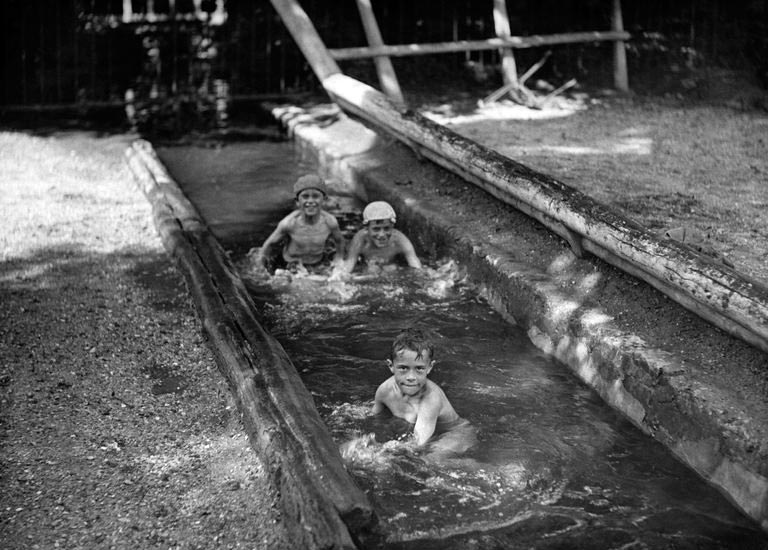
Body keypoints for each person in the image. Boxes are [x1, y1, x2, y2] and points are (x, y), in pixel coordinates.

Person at [371, 327, 475, 456]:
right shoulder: (384, 391)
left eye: (419, 368)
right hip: (431, 431)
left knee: (429, 459)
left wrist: (379, 452)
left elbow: (417, 444)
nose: (411, 377)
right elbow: (374, 419)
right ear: (391, 366)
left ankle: (490, 469)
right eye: (403, 368)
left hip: (455, 434)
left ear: (430, 367)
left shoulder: (431, 399)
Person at [256, 174, 345, 272]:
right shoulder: (289, 224)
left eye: (315, 196)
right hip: (289, 264)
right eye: (305, 197)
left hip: (317, 263)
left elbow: (339, 241)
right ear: (297, 201)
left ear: (324, 200)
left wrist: (338, 259)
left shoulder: (330, 222)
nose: (310, 201)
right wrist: (260, 267)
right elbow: (269, 244)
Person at [337, 201, 422, 275]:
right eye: (376, 229)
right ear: (366, 229)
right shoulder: (361, 240)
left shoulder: (400, 241)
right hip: (368, 269)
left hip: (392, 270)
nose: (382, 234)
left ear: (392, 227)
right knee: (371, 270)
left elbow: (416, 267)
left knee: (392, 268)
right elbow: (349, 265)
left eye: (386, 228)